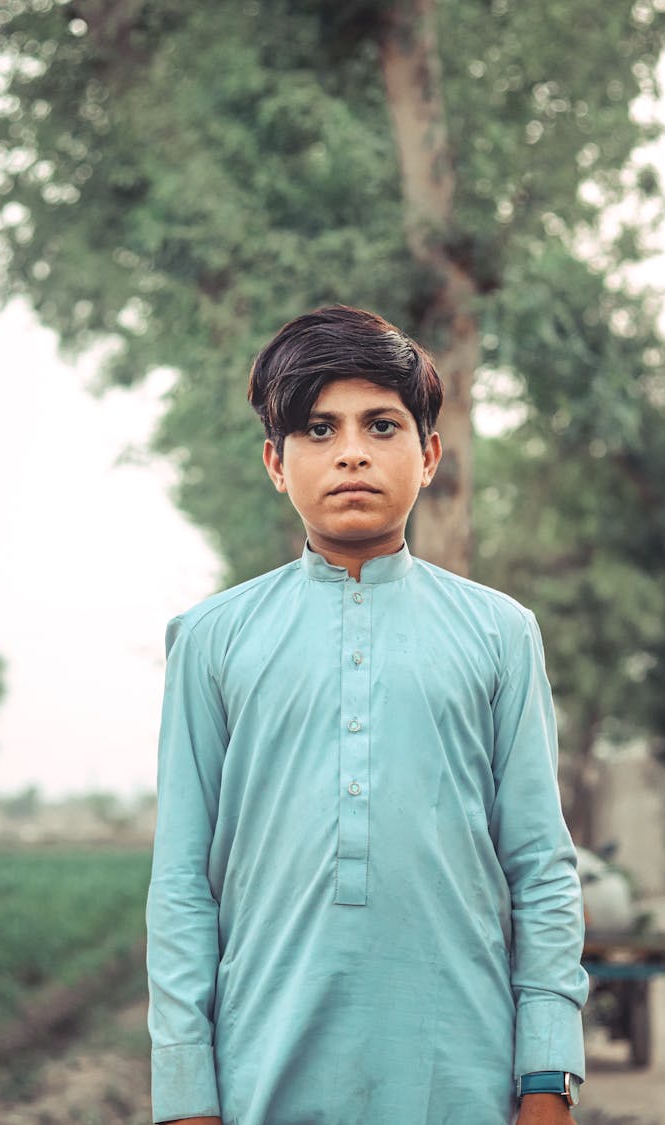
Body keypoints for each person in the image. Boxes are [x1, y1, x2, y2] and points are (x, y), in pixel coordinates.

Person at [146, 305, 589, 1125]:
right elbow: (180, 884)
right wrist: (185, 1094)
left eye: (380, 424)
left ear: (427, 455)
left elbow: (539, 863)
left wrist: (548, 1072)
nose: (350, 449)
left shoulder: (499, 633)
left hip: (461, 1076)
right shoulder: (210, 640)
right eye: (319, 428)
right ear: (276, 463)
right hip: (262, 1075)